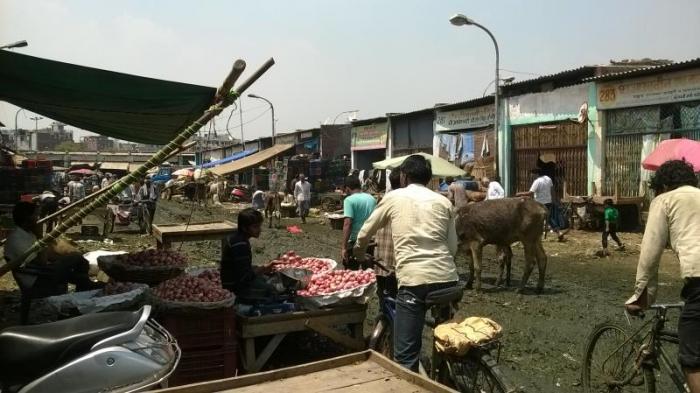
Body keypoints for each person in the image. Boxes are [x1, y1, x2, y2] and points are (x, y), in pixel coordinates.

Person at [354, 155, 459, 371]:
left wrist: (359, 254)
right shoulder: (443, 201)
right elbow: (453, 247)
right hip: (449, 280)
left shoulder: (394, 197)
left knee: (405, 359)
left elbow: (365, 233)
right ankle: (445, 372)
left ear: (403, 176)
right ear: (429, 178)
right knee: (446, 341)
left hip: (414, 283)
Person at [624, 160, 700, 392]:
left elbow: (650, 254)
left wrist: (642, 297)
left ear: (664, 185)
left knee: (692, 358)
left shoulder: (665, 200)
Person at [3, 202, 100, 295]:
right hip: (36, 279)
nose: (37, 219)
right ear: (27, 217)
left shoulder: (28, 233)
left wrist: (60, 258)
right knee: (76, 257)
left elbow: (46, 255)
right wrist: (40, 236)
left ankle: (85, 286)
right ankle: (86, 286)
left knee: (77, 264)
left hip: (42, 271)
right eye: (35, 216)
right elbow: (41, 261)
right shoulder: (17, 238)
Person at [220, 208, 274, 299]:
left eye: (259, 226)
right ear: (244, 228)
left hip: (233, 283)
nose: (259, 230)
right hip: (235, 289)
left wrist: (262, 268)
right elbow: (245, 277)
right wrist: (263, 269)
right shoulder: (240, 244)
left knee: (265, 279)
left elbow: (242, 268)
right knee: (271, 289)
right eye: (255, 227)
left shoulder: (238, 238)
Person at [374, 170, 402, 300]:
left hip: (382, 256)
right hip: (398, 258)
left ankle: (384, 317)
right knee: (397, 293)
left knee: (383, 293)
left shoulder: (383, 200)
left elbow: (371, 227)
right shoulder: (407, 201)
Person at [517, 168, 564, 241]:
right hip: (548, 202)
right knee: (550, 218)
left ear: (536, 174)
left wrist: (519, 193)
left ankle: (533, 234)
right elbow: (552, 190)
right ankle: (559, 232)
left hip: (539, 203)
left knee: (534, 218)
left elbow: (530, 193)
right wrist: (553, 200)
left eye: (532, 175)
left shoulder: (537, 181)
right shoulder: (548, 179)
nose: (531, 176)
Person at [341, 176, 377, 268]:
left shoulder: (349, 200)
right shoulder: (371, 198)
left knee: (351, 273)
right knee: (368, 272)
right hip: (370, 239)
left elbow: (347, 224)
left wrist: (344, 247)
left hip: (354, 241)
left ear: (347, 188)